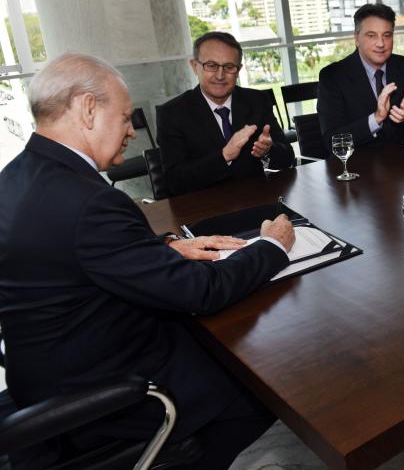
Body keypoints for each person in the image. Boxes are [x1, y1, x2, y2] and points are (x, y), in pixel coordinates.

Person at [0, 53, 297, 469]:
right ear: (88, 109)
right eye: (125, 118)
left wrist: (164, 247)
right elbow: (202, 291)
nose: (130, 132)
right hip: (102, 391)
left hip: (42, 372)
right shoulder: (90, 202)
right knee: (267, 382)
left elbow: (74, 253)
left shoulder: (16, 175)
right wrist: (272, 246)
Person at [157, 31, 295, 196]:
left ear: (238, 70)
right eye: (211, 65)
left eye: (229, 67)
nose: (220, 75)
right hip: (203, 205)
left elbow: (287, 158)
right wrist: (225, 156)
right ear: (194, 66)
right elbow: (175, 181)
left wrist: (267, 152)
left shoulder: (257, 101)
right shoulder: (172, 113)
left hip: (255, 198)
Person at [317, 3, 404, 149]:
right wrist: (376, 119)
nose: (381, 43)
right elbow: (331, 141)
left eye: (387, 35)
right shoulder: (333, 76)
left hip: (400, 159)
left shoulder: (403, 66)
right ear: (357, 38)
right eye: (371, 35)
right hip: (357, 161)